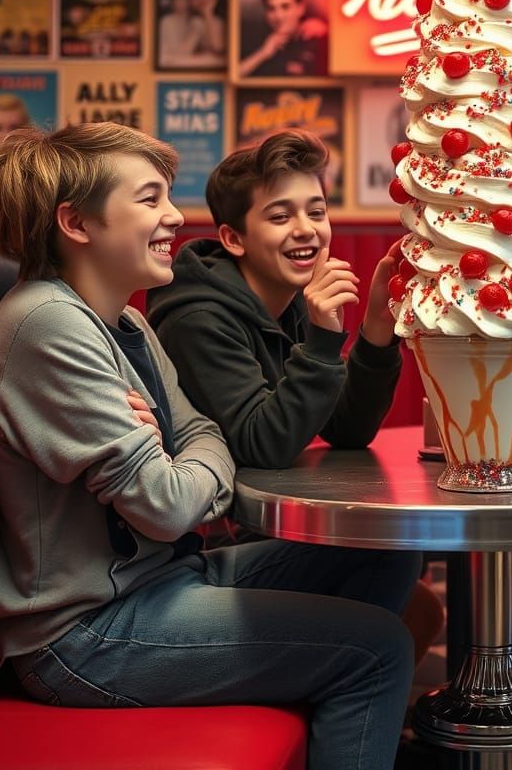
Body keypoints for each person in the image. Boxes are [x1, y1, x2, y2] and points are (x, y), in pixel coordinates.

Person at [0, 122, 417, 770]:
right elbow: (171, 506)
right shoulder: (47, 323)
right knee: (378, 651)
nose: (175, 216)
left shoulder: (127, 322)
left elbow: (204, 436)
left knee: (384, 555)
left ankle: (323, 701)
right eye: (149, 199)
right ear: (77, 223)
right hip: (86, 633)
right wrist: (189, 462)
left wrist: (185, 454)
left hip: (164, 581)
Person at [146, 129, 444, 658]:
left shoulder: (286, 300)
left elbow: (346, 429)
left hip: (259, 529)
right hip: (204, 548)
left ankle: (351, 699)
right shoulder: (198, 319)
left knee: (419, 606)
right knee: (393, 561)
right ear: (234, 238)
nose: (307, 230)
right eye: (281, 216)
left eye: (317, 211)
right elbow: (264, 444)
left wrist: (376, 330)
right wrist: (325, 340)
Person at [238, 0, 328, 78]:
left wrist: (327, 31)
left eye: (285, 7)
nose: (278, 16)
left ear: (301, 8)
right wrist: (263, 53)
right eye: (271, 9)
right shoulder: (254, 39)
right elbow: (234, 75)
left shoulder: (318, 37)